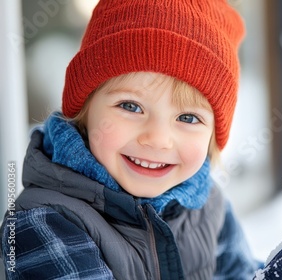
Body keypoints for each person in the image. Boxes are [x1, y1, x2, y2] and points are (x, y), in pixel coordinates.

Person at [1, 0, 262, 279]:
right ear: (84, 110)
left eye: (187, 118)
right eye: (130, 106)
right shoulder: (43, 220)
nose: (158, 139)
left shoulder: (208, 205)